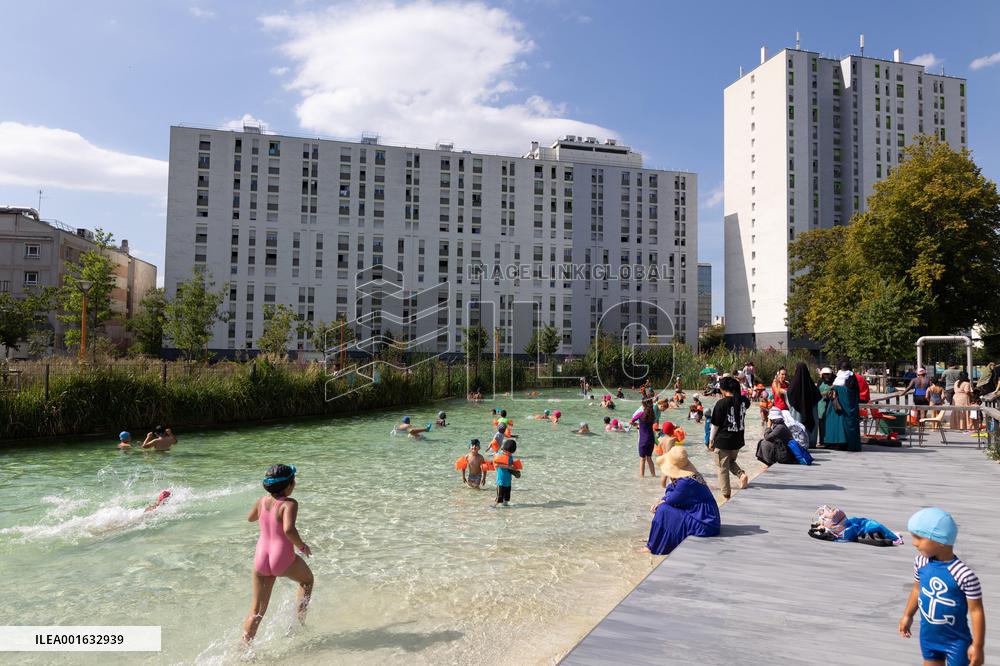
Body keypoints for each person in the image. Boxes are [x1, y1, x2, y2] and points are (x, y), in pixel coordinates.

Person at [899, 508, 984, 666]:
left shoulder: (964, 575)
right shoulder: (920, 563)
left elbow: (976, 611)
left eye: (919, 538)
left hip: (957, 643)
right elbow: (917, 589)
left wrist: (977, 646)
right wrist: (907, 616)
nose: (914, 543)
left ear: (940, 540)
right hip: (928, 638)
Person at [243, 464, 313, 644]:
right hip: (281, 557)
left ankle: (244, 646)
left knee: (257, 611)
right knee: (307, 581)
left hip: (261, 558)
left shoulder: (262, 501)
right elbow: (289, 529)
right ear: (289, 485)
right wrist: (302, 546)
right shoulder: (290, 504)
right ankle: (298, 625)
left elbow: (250, 518)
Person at [645, 447, 720, 555]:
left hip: (705, 525)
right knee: (664, 507)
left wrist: (661, 500)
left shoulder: (686, 482)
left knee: (662, 510)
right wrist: (664, 499)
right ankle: (654, 540)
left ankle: (652, 546)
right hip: (706, 519)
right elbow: (672, 496)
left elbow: (671, 499)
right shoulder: (689, 477)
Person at [708, 376, 750, 500]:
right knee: (730, 461)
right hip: (737, 439)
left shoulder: (721, 403)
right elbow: (746, 403)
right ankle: (741, 475)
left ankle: (726, 496)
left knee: (722, 469)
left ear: (723, 389)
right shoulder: (743, 401)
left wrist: (711, 440)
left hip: (723, 440)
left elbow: (715, 425)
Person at [821, 362, 862, 452]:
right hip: (843, 407)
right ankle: (843, 444)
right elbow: (853, 392)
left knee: (840, 425)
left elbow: (848, 392)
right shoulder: (851, 377)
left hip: (840, 407)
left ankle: (840, 443)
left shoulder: (846, 377)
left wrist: (836, 389)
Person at [787, 362, 822, 448]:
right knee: (810, 423)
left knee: (798, 425)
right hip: (810, 412)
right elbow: (817, 395)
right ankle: (811, 442)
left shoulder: (793, 385)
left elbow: (789, 394)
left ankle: (799, 443)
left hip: (797, 413)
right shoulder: (811, 385)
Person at [631, 398, 658, 477]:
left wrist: (637, 425)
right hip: (651, 439)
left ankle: (642, 477)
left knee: (642, 459)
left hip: (643, 440)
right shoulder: (652, 415)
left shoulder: (640, 414)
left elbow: (631, 421)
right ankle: (653, 475)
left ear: (643, 405)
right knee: (649, 458)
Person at [493, 440, 519, 506]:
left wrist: (515, 469)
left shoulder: (510, 457)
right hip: (500, 481)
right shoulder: (499, 455)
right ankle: (494, 506)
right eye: (508, 452)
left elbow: (511, 466)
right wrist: (508, 466)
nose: (510, 454)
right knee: (499, 498)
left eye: (511, 453)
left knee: (506, 498)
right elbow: (496, 465)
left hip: (508, 481)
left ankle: (506, 508)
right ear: (504, 449)